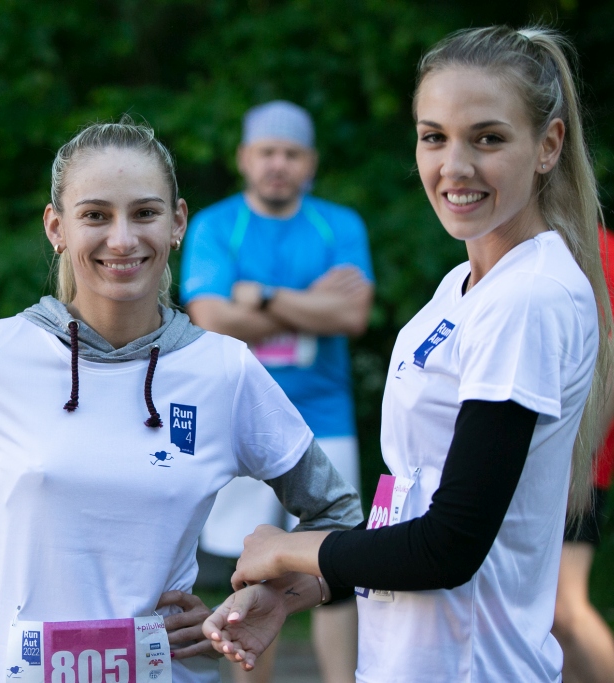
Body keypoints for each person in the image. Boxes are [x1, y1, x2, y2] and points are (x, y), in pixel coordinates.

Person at [0, 117, 363, 683]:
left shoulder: (225, 370)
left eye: (144, 213)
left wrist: (268, 599)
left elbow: (338, 513)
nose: (122, 239)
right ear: (56, 227)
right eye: (95, 215)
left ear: (177, 222)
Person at [202, 26, 612, 683]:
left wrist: (290, 548)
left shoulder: (527, 298)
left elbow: (450, 546)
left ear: (548, 145)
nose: (455, 166)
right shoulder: (464, 285)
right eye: (434, 137)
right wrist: (304, 585)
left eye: (488, 138)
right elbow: (412, 507)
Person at [181, 100, 373, 683]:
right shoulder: (216, 225)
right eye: (267, 152)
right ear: (245, 158)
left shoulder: (339, 225)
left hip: (324, 418)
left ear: (310, 162)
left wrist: (259, 296)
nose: (278, 164)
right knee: (246, 575)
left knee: (335, 572)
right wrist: (312, 302)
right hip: (240, 420)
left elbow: (353, 315)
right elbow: (210, 319)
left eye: (291, 154)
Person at [550, 225, 614, 683]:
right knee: (549, 616)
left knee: (565, 607)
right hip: (549, 457)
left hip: (578, 461)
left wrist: (579, 462)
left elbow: (609, 360)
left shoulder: (595, 249)